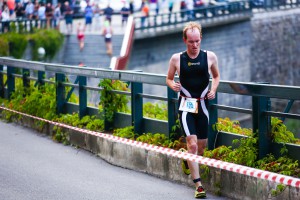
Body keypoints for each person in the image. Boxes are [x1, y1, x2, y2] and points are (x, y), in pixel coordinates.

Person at [166, 21, 220, 199]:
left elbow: (217, 76)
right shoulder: (177, 59)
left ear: (201, 39)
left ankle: (186, 159)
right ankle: (199, 186)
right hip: (186, 106)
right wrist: (173, 84)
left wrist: (213, 89)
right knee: (193, 144)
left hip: (204, 106)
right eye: (191, 42)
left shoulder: (210, 56)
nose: (195, 45)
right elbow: (168, 79)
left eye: (197, 41)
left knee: (201, 148)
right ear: (184, 40)